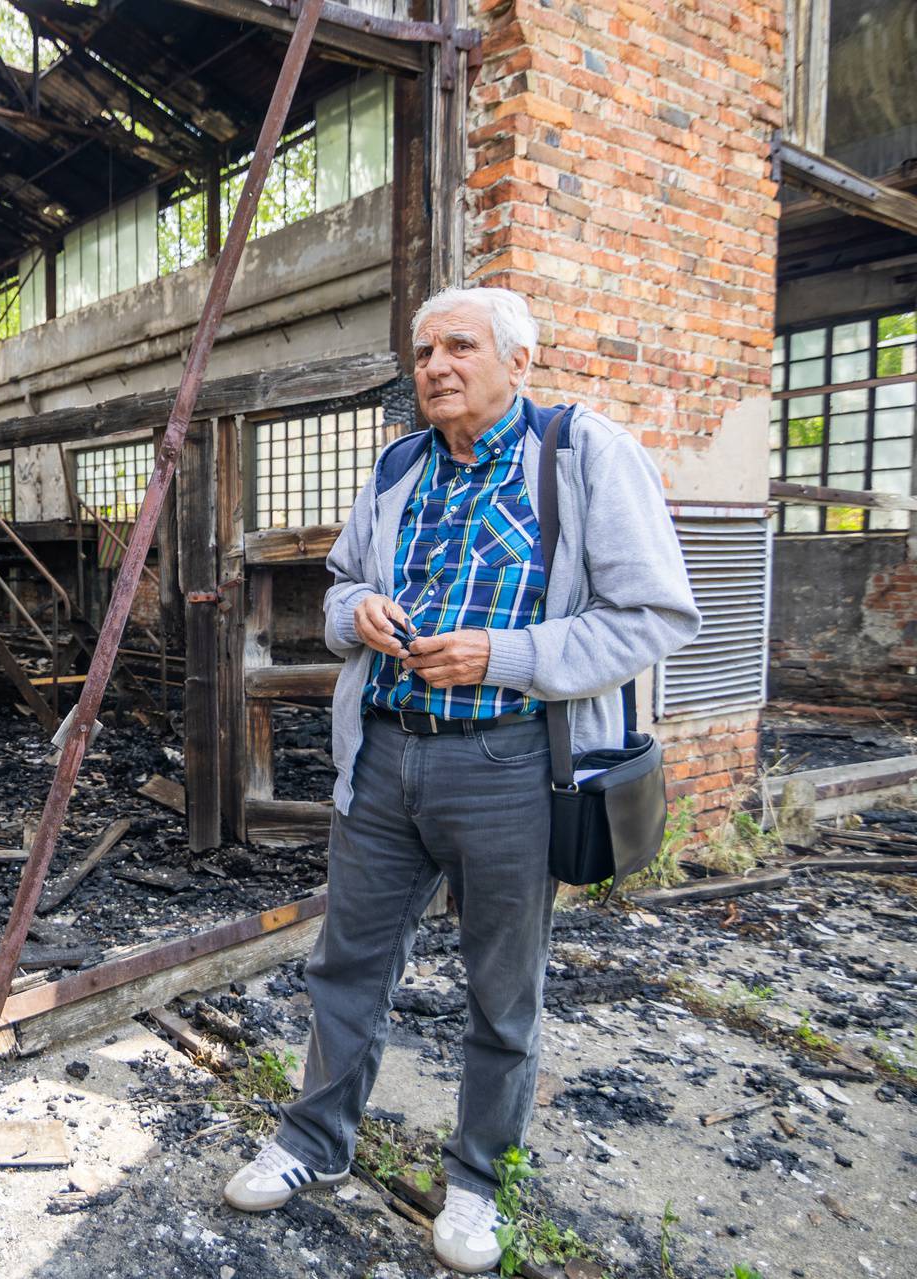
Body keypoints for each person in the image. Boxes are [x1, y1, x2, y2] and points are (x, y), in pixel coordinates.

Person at [222, 286, 700, 1274]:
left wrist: (503, 654)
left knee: (501, 990)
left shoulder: (583, 455)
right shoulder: (400, 464)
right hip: (389, 754)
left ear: (519, 361)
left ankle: (479, 1181)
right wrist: (356, 616)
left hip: (514, 765)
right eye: (423, 349)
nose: (436, 364)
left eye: (460, 346)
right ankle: (315, 1140)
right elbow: (341, 591)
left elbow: (655, 616)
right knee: (346, 963)